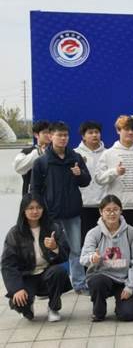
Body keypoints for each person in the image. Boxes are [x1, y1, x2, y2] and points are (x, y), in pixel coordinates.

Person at [94, 115, 133, 281]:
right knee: (115, 243)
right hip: (116, 209)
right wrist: (114, 172)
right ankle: (115, 276)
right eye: (126, 129)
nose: (130, 133)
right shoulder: (109, 153)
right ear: (118, 131)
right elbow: (99, 178)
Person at [29, 121, 91, 293]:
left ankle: (79, 283)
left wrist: (79, 174)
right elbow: (35, 190)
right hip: (51, 214)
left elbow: (86, 181)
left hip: (73, 212)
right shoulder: (41, 162)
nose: (63, 138)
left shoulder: (75, 158)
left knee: (76, 249)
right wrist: (38, 211)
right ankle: (48, 285)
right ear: (51, 136)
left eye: (66, 135)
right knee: (50, 250)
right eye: (59, 135)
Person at [1, 194, 71, 322]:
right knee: (19, 302)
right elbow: (7, 264)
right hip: (27, 276)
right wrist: (16, 289)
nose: (35, 211)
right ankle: (28, 306)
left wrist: (55, 247)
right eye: (30, 208)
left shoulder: (53, 228)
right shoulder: (15, 233)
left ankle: (53, 308)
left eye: (38, 207)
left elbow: (65, 255)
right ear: (23, 210)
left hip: (47, 273)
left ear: (43, 209)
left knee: (59, 271)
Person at [80, 195, 133, 322]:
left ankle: (127, 306)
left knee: (128, 315)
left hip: (124, 280)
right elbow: (83, 258)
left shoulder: (131, 232)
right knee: (97, 281)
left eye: (115, 209)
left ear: (121, 211)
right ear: (101, 212)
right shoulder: (94, 233)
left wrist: (130, 287)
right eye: (108, 210)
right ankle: (99, 311)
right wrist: (92, 258)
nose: (112, 213)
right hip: (103, 277)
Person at [76, 121, 108, 239]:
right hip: (82, 205)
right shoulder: (75, 154)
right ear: (83, 136)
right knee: (84, 240)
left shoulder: (108, 153)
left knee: (103, 241)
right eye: (90, 132)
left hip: (104, 206)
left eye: (97, 132)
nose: (94, 135)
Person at [13, 120, 51, 195]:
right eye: (45, 132)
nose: (48, 135)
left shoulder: (56, 152)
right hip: (32, 196)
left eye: (50, 133)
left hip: (52, 195)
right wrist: (39, 152)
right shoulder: (27, 152)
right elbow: (18, 168)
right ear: (36, 135)